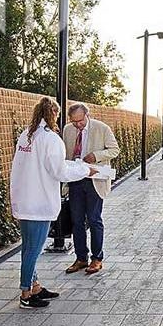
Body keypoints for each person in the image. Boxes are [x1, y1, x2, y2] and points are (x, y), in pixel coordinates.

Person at [10, 97, 97, 308]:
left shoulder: (27, 135)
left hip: (24, 201)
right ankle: (25, 293)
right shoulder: (51, 139)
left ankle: (35, 286)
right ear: (53, 114)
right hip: (39, 204)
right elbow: (59, 171)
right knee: (34, 249)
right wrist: (85, 170)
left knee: (28, 247)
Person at [63, 103, 120, 275]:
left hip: (94, 180)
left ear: (87, 115)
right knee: (76, 220)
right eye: (74, 122)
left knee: (94, 219)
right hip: (75, 179)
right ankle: (81, 258)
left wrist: (96, 155)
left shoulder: (102, 128)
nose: (78, 125)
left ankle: (97, 258)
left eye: (80, 121)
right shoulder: (67, 130)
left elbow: (114, 150)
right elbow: (65, 154)